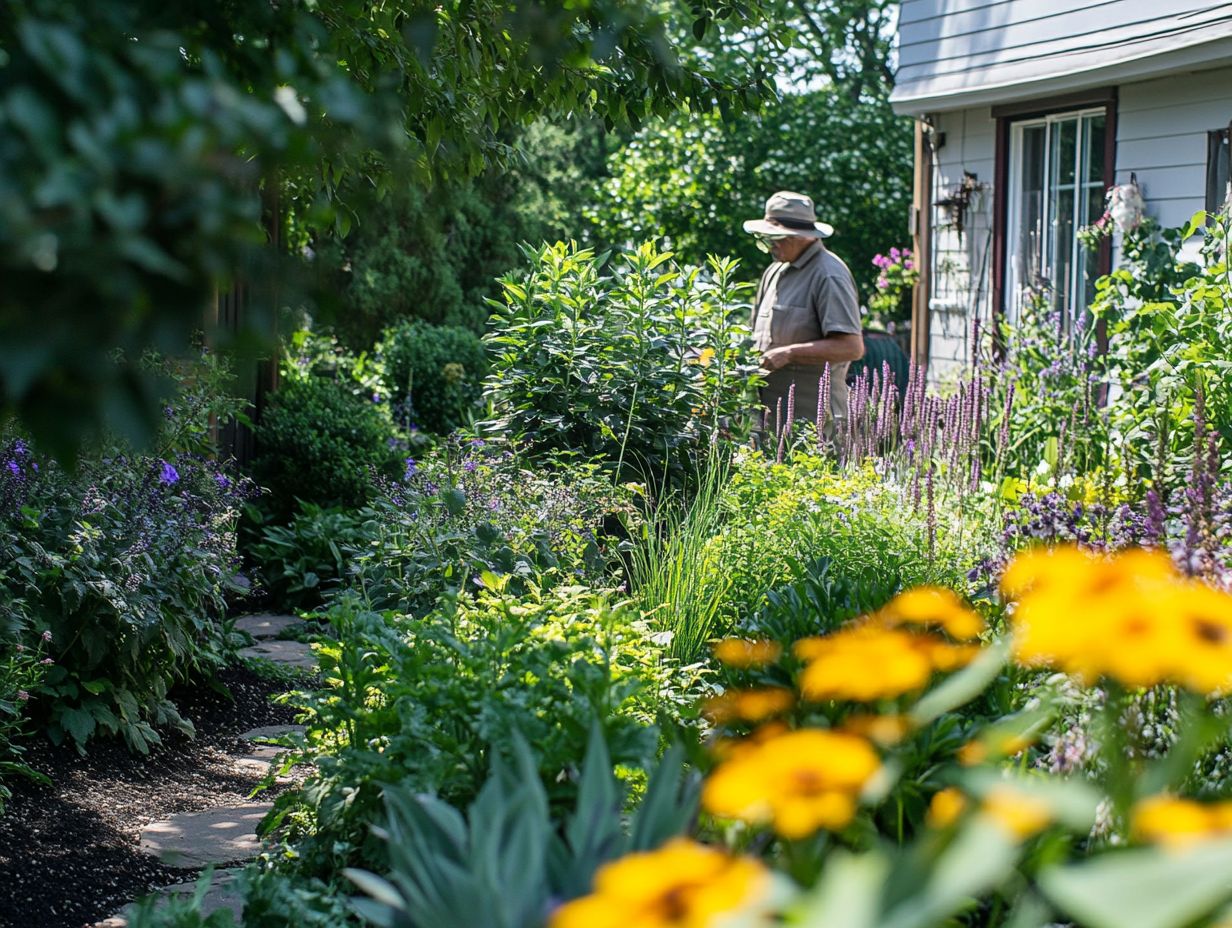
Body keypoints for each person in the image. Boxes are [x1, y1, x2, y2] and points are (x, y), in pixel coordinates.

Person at [744, 191, 864, 442]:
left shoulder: (829, 274)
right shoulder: (774, 271)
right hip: (771, 420)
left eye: (775, 237)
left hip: (814, 423)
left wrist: (788, 354)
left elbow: (851, 347)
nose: (770, 245)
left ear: (803, 236)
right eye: (765, 237)